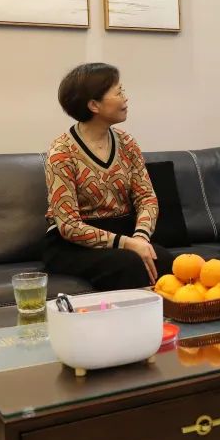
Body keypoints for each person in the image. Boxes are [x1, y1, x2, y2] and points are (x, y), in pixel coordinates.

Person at [44, 63, 174, 290]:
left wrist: (141, 238)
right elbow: (69, 226)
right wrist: (126, 244)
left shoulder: (127, 143)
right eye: (119, 92)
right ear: (94, 105)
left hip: (124, 233)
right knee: (129, 264)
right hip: (72, 244)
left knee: (164, 261)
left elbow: (146, 198)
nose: (126, 98)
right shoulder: (61, 153)